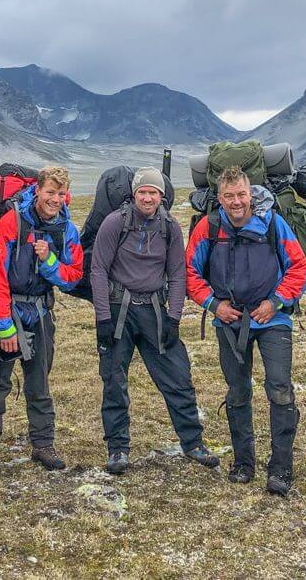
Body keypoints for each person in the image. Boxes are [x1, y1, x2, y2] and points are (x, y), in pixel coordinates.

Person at [185, 166, 306, 496]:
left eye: (241, 195)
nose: (237, 202)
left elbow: (299, 267)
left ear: (249, 193)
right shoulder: (208, 227)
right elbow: (190, 273)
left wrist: (277, 302)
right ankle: (243, 462)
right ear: (220, 198)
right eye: (229, 196)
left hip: (273, 320)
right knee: (238, 391)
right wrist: (214, 305)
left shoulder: (272, 223)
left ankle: (281, 468)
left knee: (280, 389)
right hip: (229, 321)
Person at [90, 167, 218, 475]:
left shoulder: (169, 226)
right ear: (134, 194)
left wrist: (174, 317)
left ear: (161, 196)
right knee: (114, 381)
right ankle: (117, 449)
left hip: (155, 312)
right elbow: (97, 270)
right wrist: (103, 319)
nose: (148, 197)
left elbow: (177, 274)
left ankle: (193, 443)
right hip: (119, 309)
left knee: (177, 377)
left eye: (153, 192)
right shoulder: (114, 224)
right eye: (143, 192)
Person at [0, 166, 83, 472]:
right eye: (50, 192)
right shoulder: (11, 223)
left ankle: (43, 445)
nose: (55, 199)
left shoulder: (66, 230)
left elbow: (72, 277)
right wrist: (4, 326)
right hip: (4, 316)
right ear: (37, 191)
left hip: (41, 315)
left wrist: (48, 260)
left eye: (61, 194)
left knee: (39, 383)